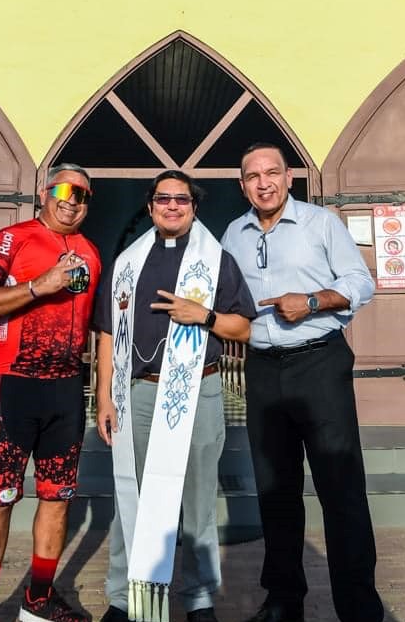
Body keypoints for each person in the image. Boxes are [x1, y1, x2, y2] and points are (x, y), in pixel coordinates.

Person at [221, 144, 384, 622]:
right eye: (253, 176)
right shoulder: (232, 234)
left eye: (272, 172)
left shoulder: (321, 223)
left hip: (320, 365)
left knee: (341, 491)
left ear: (289, 177)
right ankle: (283, 602)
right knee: (275, 492)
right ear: (242, 185)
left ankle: (359, 609)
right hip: (261, 369)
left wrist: (312, 301)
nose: (264, 183)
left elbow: (362, 283)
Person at [95, 171, 256, 622]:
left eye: (181, 199)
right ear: (150, 207)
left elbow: (243, 328)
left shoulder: (217, 261)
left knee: (198, 500)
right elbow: (107, 332)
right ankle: (125, 598)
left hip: (198, 390)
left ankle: (199, 598)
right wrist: (104, 396)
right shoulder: (127, 263)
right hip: (140, 392)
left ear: (193, 207)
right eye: (163, 198)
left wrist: (203, 315)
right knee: (132, 497)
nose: (171, 206)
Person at [0, 163, 102, 622]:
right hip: (15, 383)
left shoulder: (91, 253)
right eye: (64, 191)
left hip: (66, 388)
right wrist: (39, 286)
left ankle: (37, 600)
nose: (72, 201)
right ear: (45, 193)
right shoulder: (13, 238)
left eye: (82, 195)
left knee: (58, 497)